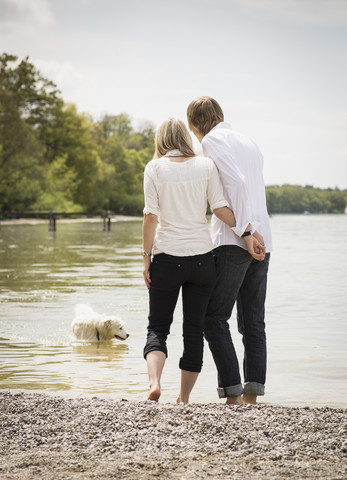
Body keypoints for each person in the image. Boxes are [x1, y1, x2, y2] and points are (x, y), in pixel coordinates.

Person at [142, 118, 264, 404]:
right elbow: (220, 208)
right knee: (193, 331)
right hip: (201, 260)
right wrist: (248, 231)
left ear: (161, 140)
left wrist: (146, 258)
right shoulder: (205, 165)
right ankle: (183, 398)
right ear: (186, 137)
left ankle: (155, 384)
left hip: (166, 257)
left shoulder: (154, 168)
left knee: (158, 327)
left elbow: (150, 217)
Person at [187, 96, 272, 405]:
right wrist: (254, 230)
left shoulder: (211, 140)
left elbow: (235, 183)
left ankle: (233, 396)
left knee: (214, 318)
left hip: (236, 239)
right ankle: (251, 397)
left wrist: (246, 231)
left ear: (195, 124)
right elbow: (251, 186)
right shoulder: (249, 141)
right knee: (253, 321)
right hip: (265, 238)